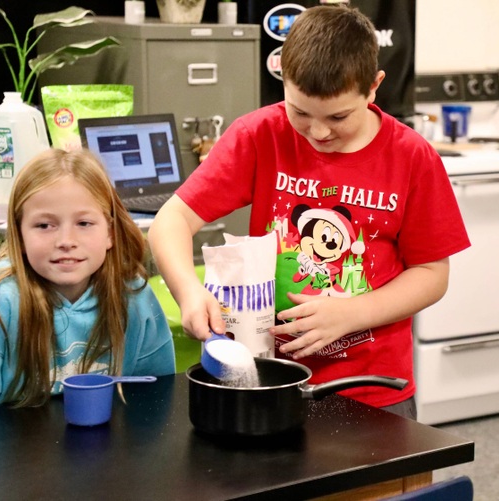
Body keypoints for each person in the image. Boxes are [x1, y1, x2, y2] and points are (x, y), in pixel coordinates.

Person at [148, 6, 470, 419]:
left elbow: (431, 275)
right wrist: (188, 293)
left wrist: (353, 313)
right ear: (282, 74)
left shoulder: (411, 156)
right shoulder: (259, 135)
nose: (318, 133)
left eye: (338, 117)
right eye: (300, 112)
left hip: (373, 390)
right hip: (270, 381)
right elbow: (171, 221)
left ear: (374, 87)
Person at [0, 148, 175, 410]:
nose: (66, 242)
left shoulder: (133, 296)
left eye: (84, 223)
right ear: (20, 236)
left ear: (109, 232)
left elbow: (154, 393)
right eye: (44, 225)